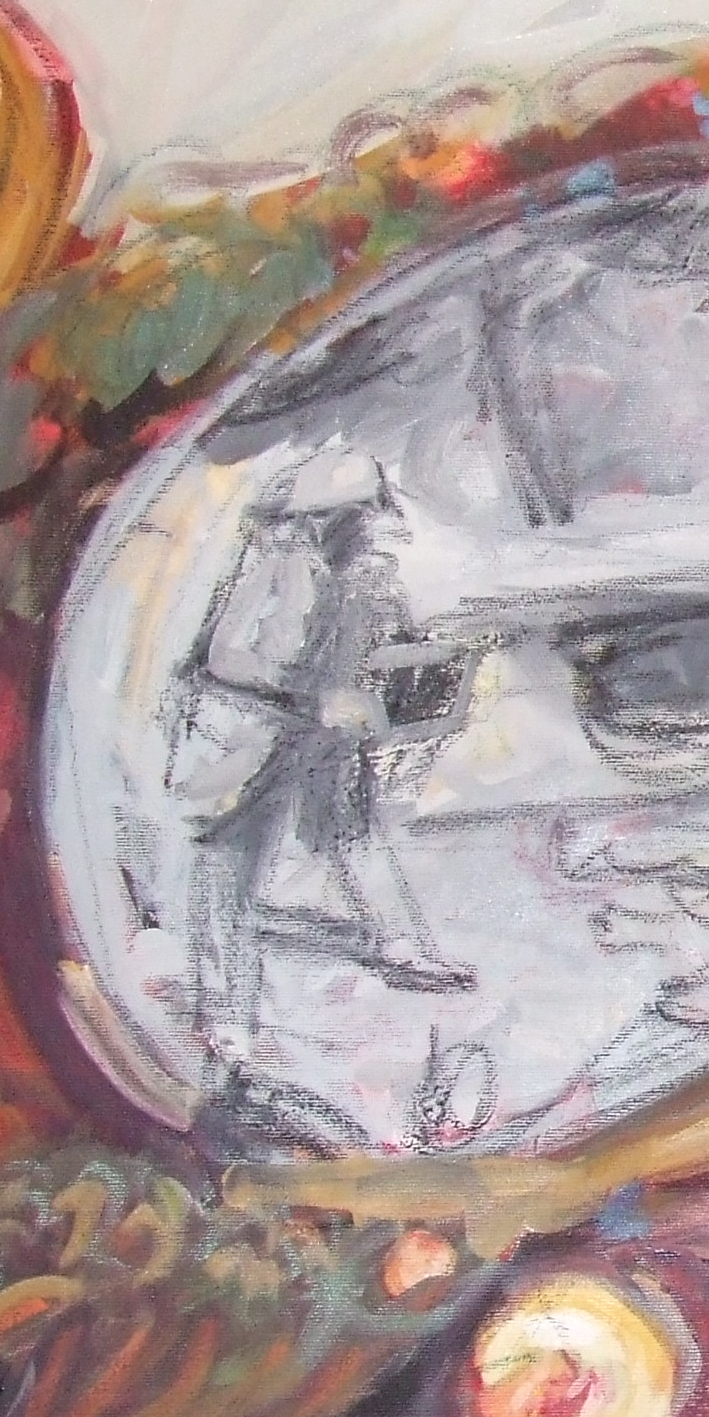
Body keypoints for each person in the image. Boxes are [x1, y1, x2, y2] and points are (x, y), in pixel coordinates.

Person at [169, 448, 474, 1072]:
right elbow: (225, 658)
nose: (370, 532)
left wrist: (420, 653)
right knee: (229, 864)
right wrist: (314, 698)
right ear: (324, 520)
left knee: (348, 828)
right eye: (359, 519)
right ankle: (226, 1015)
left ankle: (398, 945)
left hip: (316, 731)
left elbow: (376, 649)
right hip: (249, 732)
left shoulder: (363, 579)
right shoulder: (275, 567)